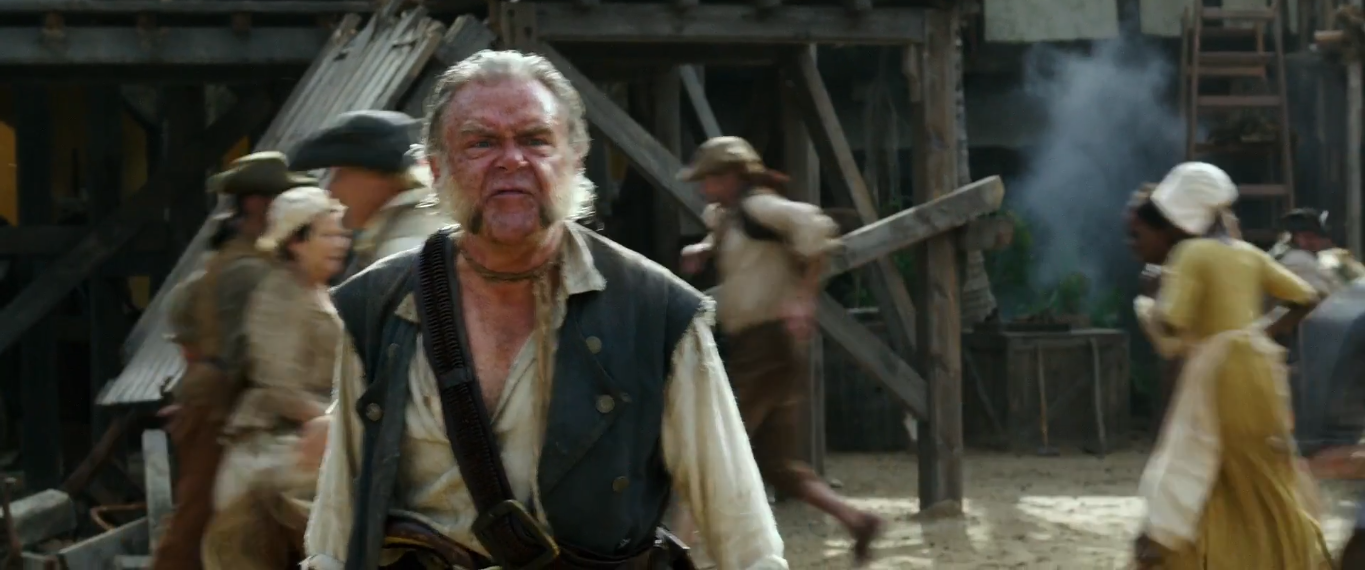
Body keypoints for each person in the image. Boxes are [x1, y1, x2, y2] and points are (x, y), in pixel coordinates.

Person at [303, 50, 785, 570]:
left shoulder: (657, 312)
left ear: (575, 159)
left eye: (535, 139)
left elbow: (742, 530)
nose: (511, 160)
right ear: (438, 168)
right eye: (481, 143)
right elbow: (338, 516)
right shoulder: (375, 306)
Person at [676, 136, 883, 564]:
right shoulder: (731, 216)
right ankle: (856, 520)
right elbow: (728, 236)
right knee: (778, 465)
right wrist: (705, 249)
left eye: (710, 178)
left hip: (767, 345)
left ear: (732, 176)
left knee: (715, 442)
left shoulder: (761, 207)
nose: (704, 188)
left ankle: (675, 549)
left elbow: (816, 229)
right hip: (756, 347)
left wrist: (804, 298)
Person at [1124, 162, 1331, 569]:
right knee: (1259, 475)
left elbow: (1173, 322)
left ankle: (1169, 553)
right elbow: (1307, 297)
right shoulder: (1249, 254)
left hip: (1217, 375)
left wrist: (1150, 301)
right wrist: (1258, 333)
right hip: (1260, 371)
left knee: (1187, 468)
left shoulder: (1191, 253)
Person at [151, 152, 317, 570]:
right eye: (277, 199)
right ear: (256, 203)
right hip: (218, 405)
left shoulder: (249, 258)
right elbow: (246, 353)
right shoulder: (246, 269)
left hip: (224, 403)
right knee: (196, 523)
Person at [200, 186, 351, 569]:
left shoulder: (322, 292)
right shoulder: (279, 295)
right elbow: (279, 384)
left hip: (316, 439)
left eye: (341, 234)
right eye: (328, 235)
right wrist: (334, 421)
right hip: (273, 452)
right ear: (297, 242)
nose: (340, 244)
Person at [289, 110, 451, 279]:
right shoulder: (398, 230)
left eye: (339, 175)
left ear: (376, 176)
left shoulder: (404, 248)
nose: (331, 191)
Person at [1270, 207, 1364, 296]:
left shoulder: (1331, 257)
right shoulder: (1298, 259)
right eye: (1308, 236)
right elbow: (1325, 297)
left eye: (1312, 237)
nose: (1304, 242)